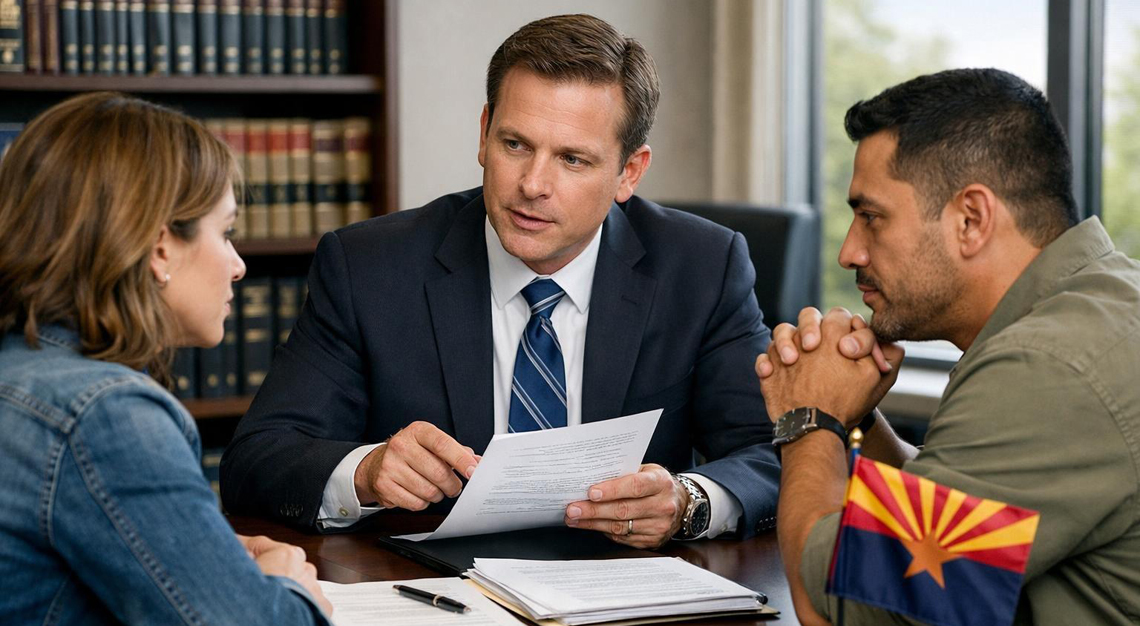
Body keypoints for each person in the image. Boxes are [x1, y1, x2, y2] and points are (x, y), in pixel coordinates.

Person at [221, 14, 779, 548]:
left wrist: (687, 501)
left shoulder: (703, 266)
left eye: (573, 160)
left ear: (628, 172)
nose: (533, 184)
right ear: (484, 133)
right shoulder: (369, 266)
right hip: (438, 593)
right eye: (515, 145)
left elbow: (771, 452)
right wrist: (365, 473)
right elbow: (258, 459)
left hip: (626, 594)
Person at [756, 68, 1140, 625]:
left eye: (871, 217)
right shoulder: (1097, 308)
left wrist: (808, 418)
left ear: (971, 219)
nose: (849, 252)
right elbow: (968, 511)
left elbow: (847, 610)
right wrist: (856, 415)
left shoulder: (1047, 370)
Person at [0, 92, 332, 624]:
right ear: (160, 248)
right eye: (224, 233)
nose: (239, 266)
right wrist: (283, 587)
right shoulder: (106, 416)